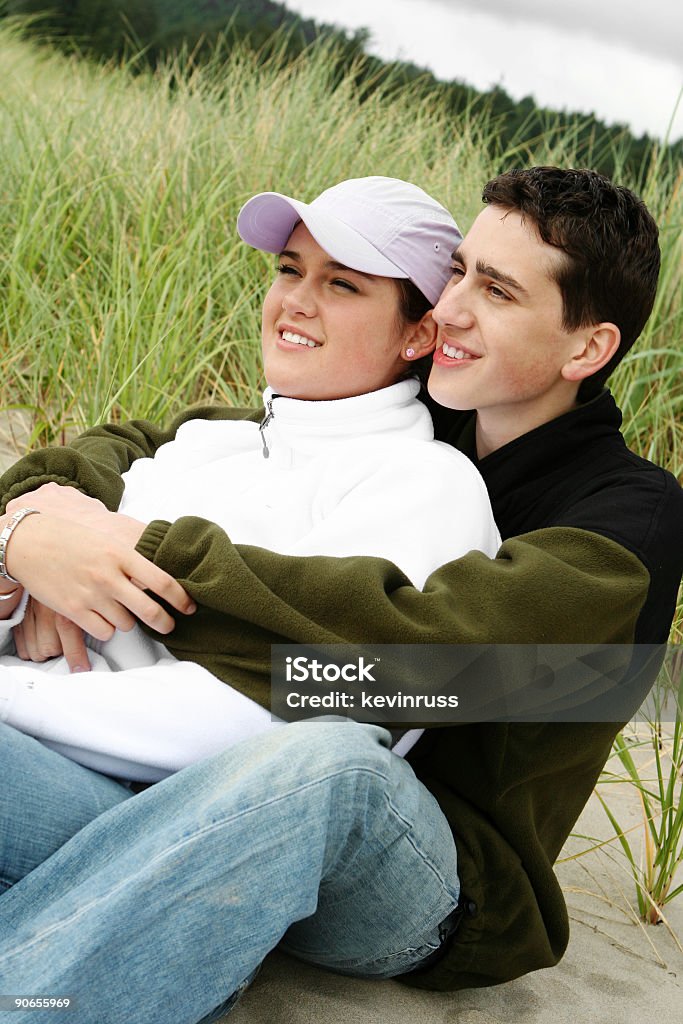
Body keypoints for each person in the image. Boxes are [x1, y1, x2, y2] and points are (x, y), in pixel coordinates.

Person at [0, 167, 681, 1023]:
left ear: (586, 348)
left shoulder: (629, 516)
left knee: (332, 760)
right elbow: (148, 441)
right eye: (460, 270)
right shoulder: (427, 402)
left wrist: (130, 570)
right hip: (218, 801)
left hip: (426, 871)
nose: (453, 309)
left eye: (498, 291)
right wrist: (37, 532)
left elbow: (429, 668)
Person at [0, 177, 499, 781]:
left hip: (135, 802)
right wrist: (20, 561)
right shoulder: (206, 442)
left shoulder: (425, 483)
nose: (296, 300)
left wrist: (19, 692)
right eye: (291, 269)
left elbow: (295, 722)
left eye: (342, 283)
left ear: (419, 333)